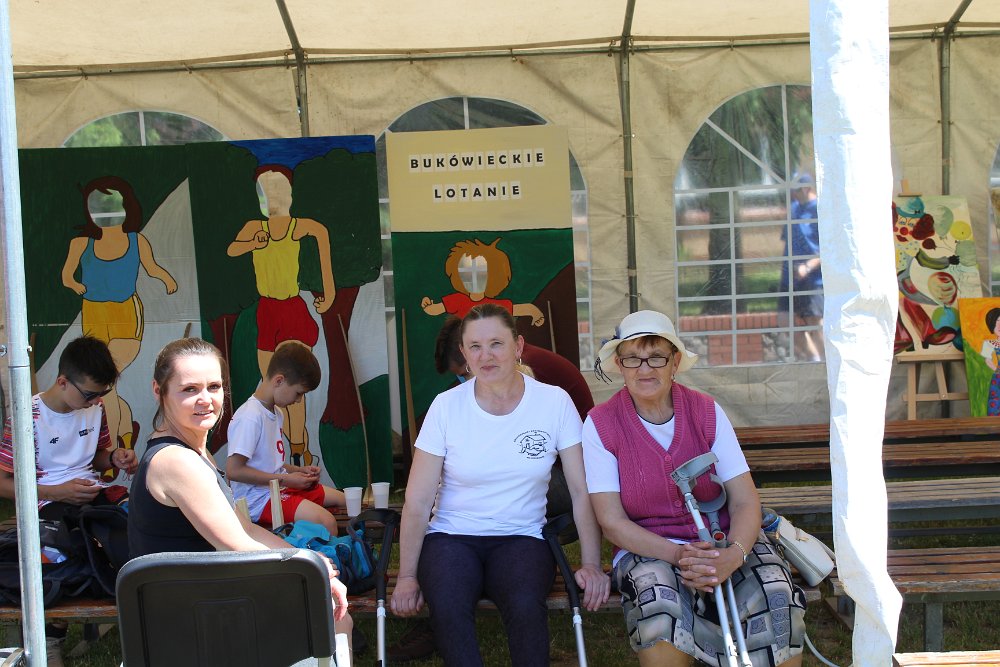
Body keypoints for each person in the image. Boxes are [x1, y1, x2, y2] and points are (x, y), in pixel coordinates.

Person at [390, 304, 610, 666]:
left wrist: (591, 564)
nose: (485, 355)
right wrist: (407, 577)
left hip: (523, 536)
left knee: (525, 604)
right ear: (463, 353)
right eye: (475, 346)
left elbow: (579, 490)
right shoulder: (445, 407)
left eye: (496, 343)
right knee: (447, 602)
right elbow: (417, 500)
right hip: (452, 536)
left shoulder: (554, 402)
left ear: (518, 345)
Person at [586, 310, 806, 667]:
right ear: (620, 365)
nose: (645, 369)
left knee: (775, 592)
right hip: (649, 546)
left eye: (656, 357)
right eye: (633, 358)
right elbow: (611, 522)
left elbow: (745, 501)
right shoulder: (601, 425)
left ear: (674, 362)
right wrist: (679, 556)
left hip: (723, 539)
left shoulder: (705, 411)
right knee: (659, 605)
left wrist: (734, 553)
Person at [127, 338, 352, 647]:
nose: (206, 400)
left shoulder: (194, 453)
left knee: (328, 610)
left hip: (203, 601)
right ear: (158, 390)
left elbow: (244, 528)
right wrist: (309, 569)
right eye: (190, 389)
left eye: (214, 387)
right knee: (335, 619)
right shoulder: (176, 461)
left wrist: (305, 558)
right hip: (191, 620)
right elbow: (236, 545)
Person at [0, 335, 138, 667]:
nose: (95, 401)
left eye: (102, 393)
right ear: (62, 382)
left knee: (136, 521)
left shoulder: (95, 407)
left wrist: (114, 458)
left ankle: (131, 615)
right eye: (90, 394)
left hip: (90, 493)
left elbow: (98, 458)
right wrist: (55, 492)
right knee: (70, 549)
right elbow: (4, 482)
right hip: (48, 501)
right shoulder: (28, 415)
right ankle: (52, 637)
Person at [61, 176, 178, 466]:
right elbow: (67, 276)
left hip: (127, 314)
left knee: (106, 382)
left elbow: (152, 268)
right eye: (98, 206)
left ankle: (114, 446)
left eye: (112, 205)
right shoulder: (81, 244)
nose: (106, 213)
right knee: (106, 385)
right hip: (94, 313)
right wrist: (76, 285)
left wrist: (167, 279)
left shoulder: (136, 241)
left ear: (126, 207)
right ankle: (123, 437)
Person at [227, 165, 337, 466]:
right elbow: (232, 250)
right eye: (267, 194)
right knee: (272, 390)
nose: (274, 200)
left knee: (294, 387)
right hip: (268, 312)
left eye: (279, 192)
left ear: (289, 195)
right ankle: (289, 450)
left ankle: (298, 449)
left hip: (292, 311)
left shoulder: (299, 226)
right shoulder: (255, 228)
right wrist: (252, 244)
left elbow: (322, 236)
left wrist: (330, 294)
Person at [226, 340, 346, 533]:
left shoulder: (276, 413)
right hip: (258, 501)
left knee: (344, 500)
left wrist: (298, 471)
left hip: (278, 489)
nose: (298, 400)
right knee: (327, 522)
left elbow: (270, 464)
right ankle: (325, 553)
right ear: (279, 380)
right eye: (298, 393)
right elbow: (234, 471)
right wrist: (286, 480)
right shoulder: (250, 417)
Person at [779, 173, 823, 362]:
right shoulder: (794, 208)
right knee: (784, 321)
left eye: (795, 190)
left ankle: (825, 363)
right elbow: (787, 241)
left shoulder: (820, 210)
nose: (792, 195)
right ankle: (814, 359)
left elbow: (829, 248)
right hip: (789, 277)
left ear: (806, 188)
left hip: (813, 278)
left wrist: (808, 266)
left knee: (815, 322)